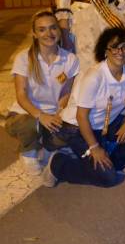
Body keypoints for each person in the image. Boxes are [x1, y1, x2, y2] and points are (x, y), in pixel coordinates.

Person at [40, 28, 125, 188]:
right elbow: (81, 116)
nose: (120, 52)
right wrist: (95, 147)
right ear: (105, 51)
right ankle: (58, 165)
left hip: (104, 125)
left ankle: (115, 162)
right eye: (114, 47)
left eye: (124, 47)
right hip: (76, 128)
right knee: (107, 178)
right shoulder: (95, 76)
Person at [6, 10, 79, 175]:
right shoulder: (23, 58)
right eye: (42, 29)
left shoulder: (70, 59)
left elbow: (66, 93)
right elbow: (21, 95)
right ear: (34, 33)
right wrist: (41, 116)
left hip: (52, 114)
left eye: (53, 28)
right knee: (30, 125)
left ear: (59, 31)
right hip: (25, 113)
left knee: (73, 131)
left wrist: (60, 113)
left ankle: (45, 144)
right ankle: (28, 151)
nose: (49, 33)